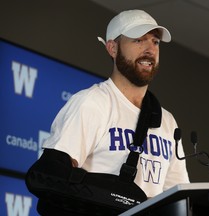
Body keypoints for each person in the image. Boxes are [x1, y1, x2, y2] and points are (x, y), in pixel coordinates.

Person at [27, 9, 189, 214]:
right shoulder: (93, 102)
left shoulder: (167, 121)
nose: (150, 49)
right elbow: (53, 175)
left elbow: (178, 194)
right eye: (139, 40)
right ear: (112, 48)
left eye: (155, 42)